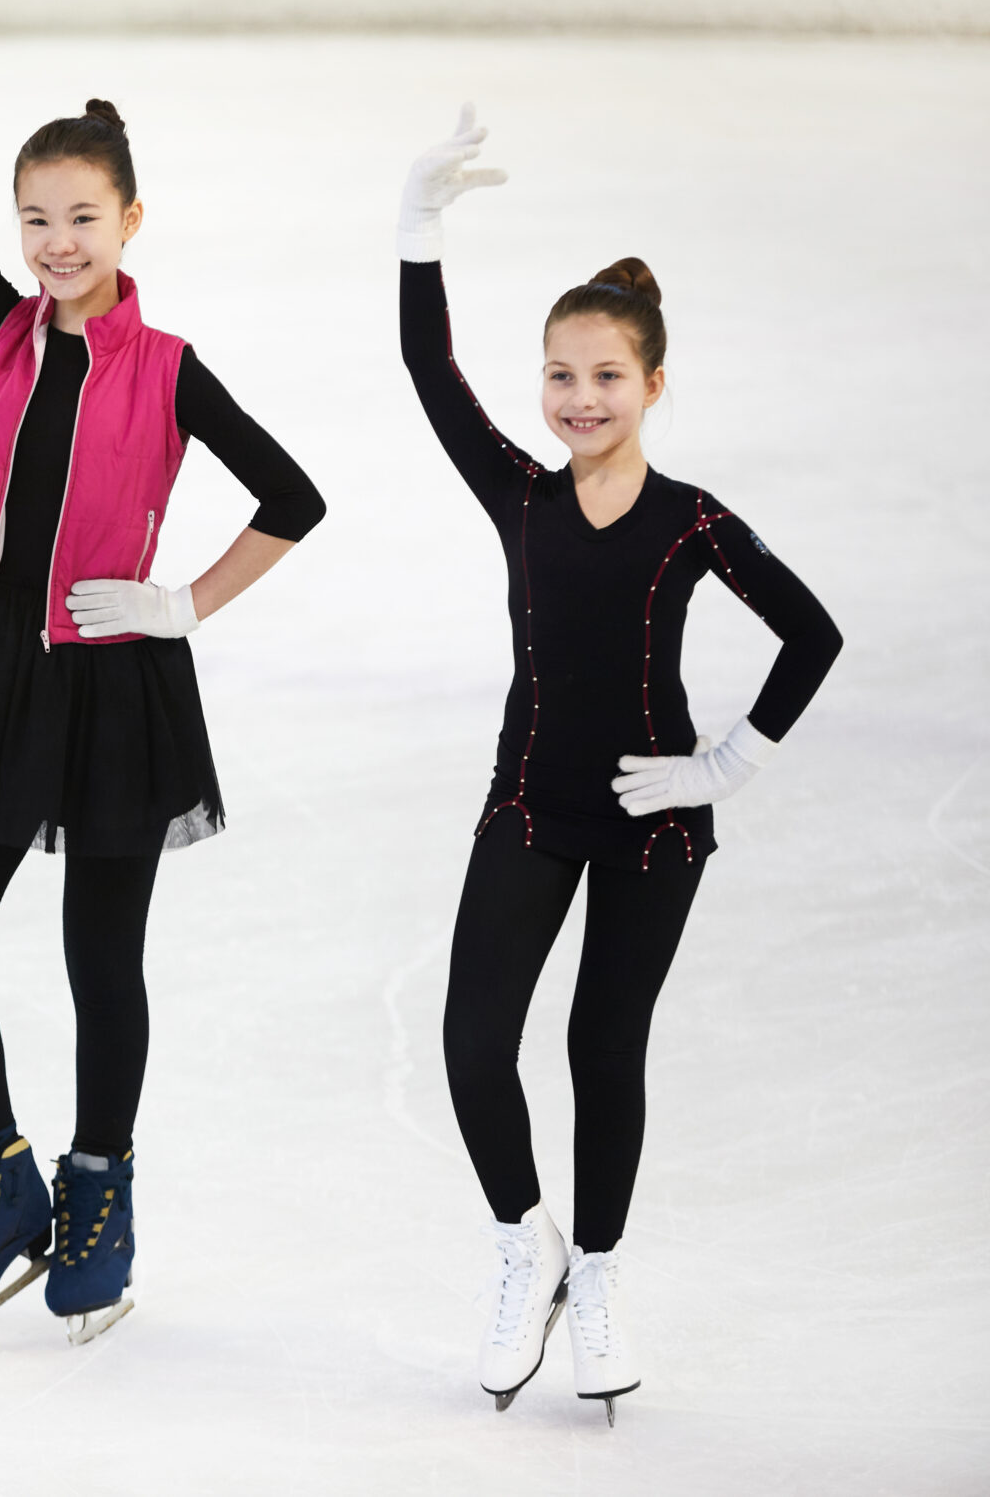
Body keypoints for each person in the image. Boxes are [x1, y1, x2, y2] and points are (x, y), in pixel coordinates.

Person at [0, 0, 326, 1345]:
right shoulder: (4, 333)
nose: (56, 243)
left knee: (100, 960)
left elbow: (294, 498)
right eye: (36, 220)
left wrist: (185, 603)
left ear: (131, 219)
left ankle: (99, 1192)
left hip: (115, 682)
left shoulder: (171, 368)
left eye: (81, 217)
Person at [395, 106, 842, 1422]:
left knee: (604, 1046)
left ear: (652, 385)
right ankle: (522, 1245)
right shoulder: (521, 496)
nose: (579, 399)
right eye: (560, 376)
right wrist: (419, 226)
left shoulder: (690, 521)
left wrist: (726, 767)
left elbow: (811, 632)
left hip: (654, 824)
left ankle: (593, 1276)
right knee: (473, 1039)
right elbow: (429, 371)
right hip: (532, 802)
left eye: (605, 376)